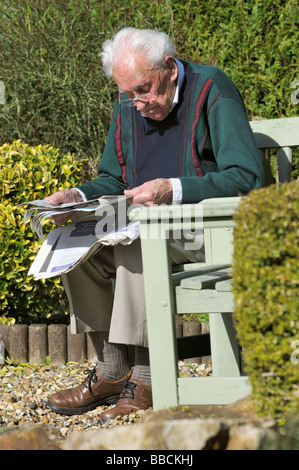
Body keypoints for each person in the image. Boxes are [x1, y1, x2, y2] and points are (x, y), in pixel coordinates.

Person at [46, 27, 264, 422]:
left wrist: (173, 189)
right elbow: (114, 179)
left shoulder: (212, 89)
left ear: (169, 68)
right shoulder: (128, 103)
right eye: (129, 93)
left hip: (211, 228)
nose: (139, 103)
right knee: (73, 241)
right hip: (147, 224)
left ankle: (147, 378)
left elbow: (247, 177)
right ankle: (112, 371)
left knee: (138, 241)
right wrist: (75, 197)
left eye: (145, 89)